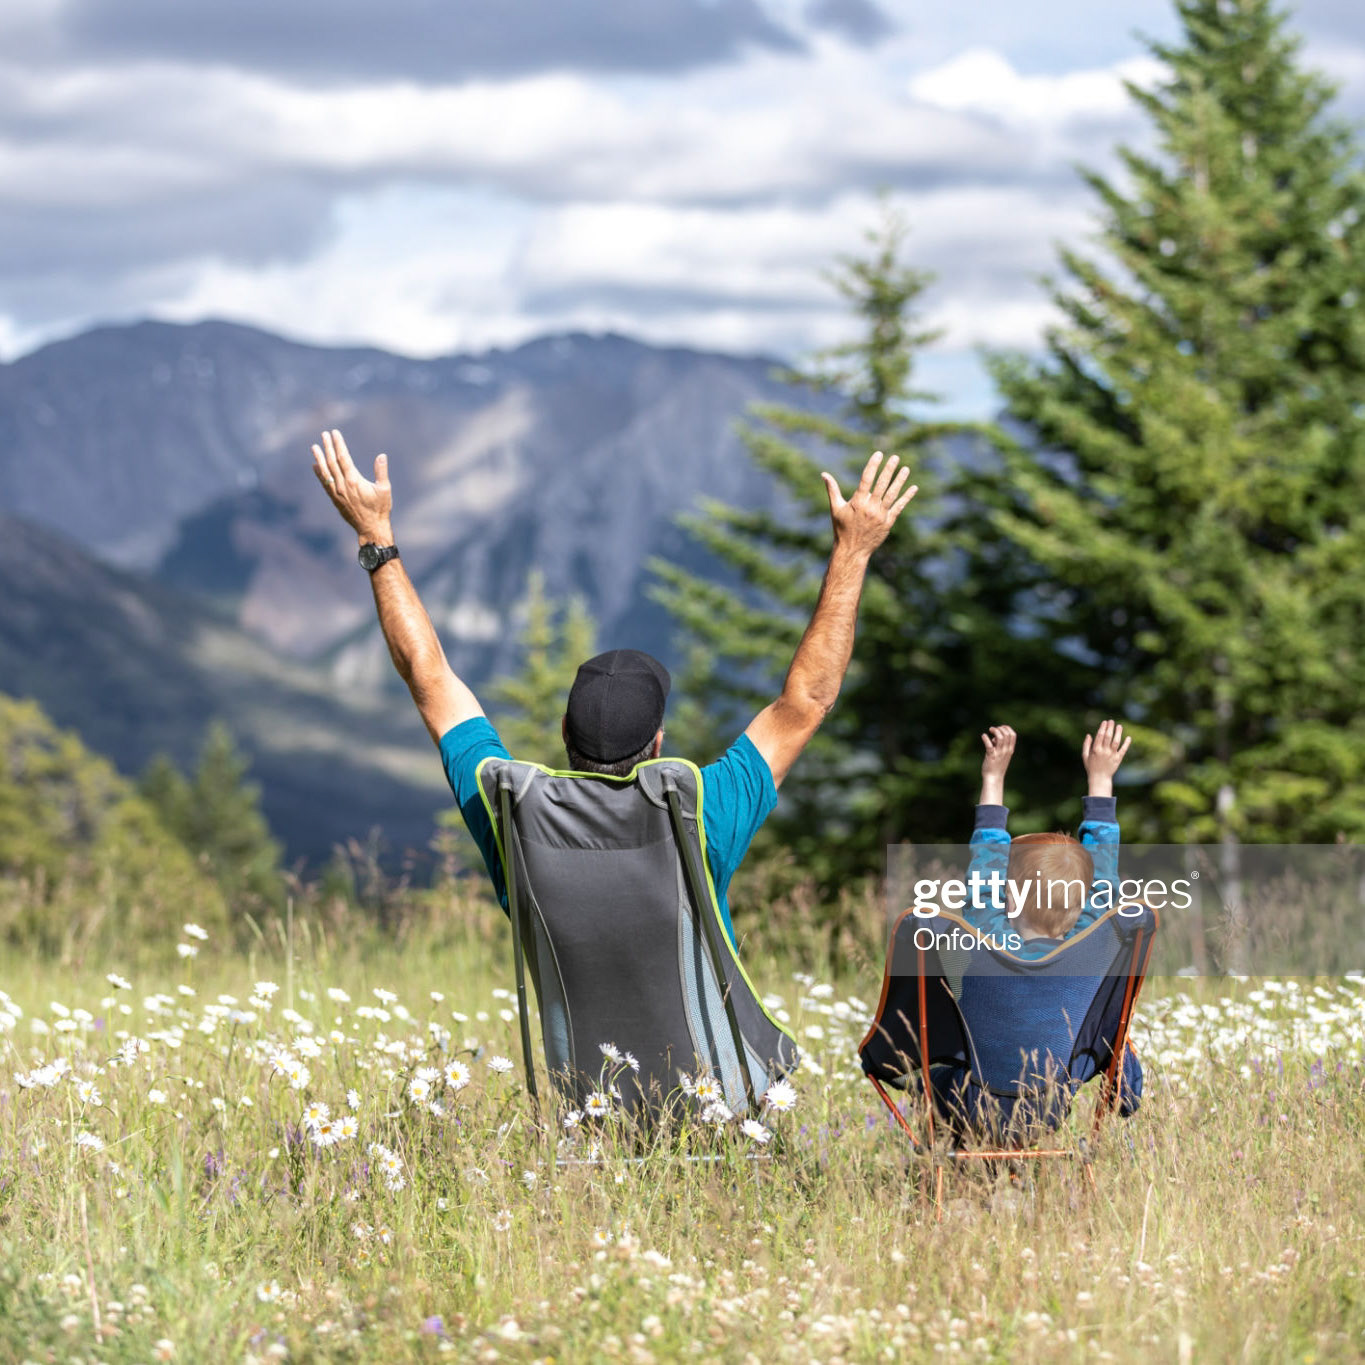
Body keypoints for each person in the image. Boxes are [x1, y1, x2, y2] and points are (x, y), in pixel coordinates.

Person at [309, 429, 917, 946]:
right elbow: (808, 700)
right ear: (658, 744)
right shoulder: (704, 814)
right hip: (713, 1085)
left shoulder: (510, 814)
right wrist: (853, 552)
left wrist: (374, 533)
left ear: (565, 732)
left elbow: (428, 676)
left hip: (581, 1082)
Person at [962, 719, 1143, 1114]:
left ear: (1009, 896)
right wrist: (1100, 781)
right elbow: (1105, 879)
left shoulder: (986, 937)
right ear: (1081, 901)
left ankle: (952, 1164)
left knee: (939, 1072)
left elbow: (983, 873)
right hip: (1052, 1107)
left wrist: (992, 778)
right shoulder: (1088, 949)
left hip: (972, 1102)